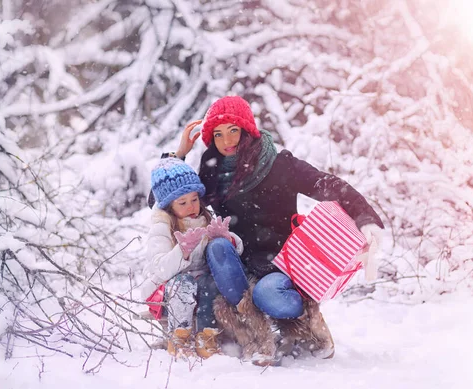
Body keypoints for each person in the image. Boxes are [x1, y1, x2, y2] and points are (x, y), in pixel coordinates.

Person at [154, 95, 384, 365]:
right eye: (218, 134)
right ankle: (255, 336)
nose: (227, 141)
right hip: (238, 269)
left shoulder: (279, 165)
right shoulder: (212, 170)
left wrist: (365, 218)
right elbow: (167, 201)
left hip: (282, 266)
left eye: (233, 131)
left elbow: (329, 184)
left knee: (266, 295)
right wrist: (178, 154)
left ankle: (304, 325)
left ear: (246, 130)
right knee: (217, 247)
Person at [140, 157, 246, 359]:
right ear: (169, 206)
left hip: (201, 283)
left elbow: (227, 254)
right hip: (168, 288)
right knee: (184, 283)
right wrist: (182, 251)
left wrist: (228, 239)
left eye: (194, 199)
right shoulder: (162, 226)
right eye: (183, 202)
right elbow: (159, 269)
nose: (191, 206)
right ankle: (179, 336)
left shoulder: (205, 219)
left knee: (210, 282)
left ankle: (206, 336)